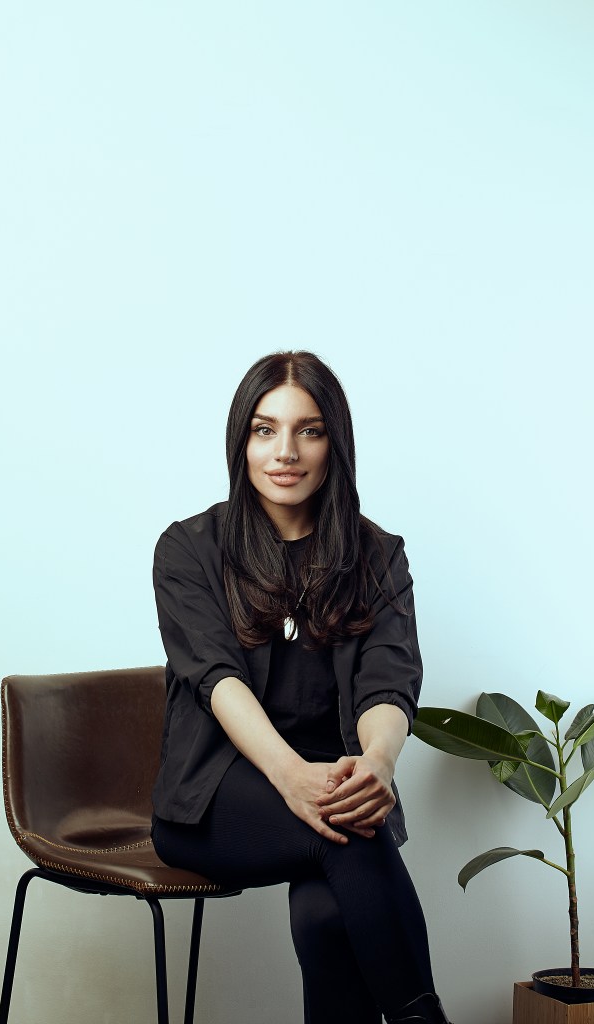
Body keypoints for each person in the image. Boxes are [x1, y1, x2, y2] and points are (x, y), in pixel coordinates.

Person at [151, 351, 453, 1024]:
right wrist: (291, 776)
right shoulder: (189, 549)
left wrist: (377, 763)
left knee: (327, 915)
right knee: (347, 831)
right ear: (242, 441)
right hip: (215, 798)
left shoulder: (377, 554)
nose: (284, 452)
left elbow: (388, 678)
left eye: (308, 430)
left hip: (334, 785)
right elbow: (216, 680)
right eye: (265, 430)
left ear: (333, 442)